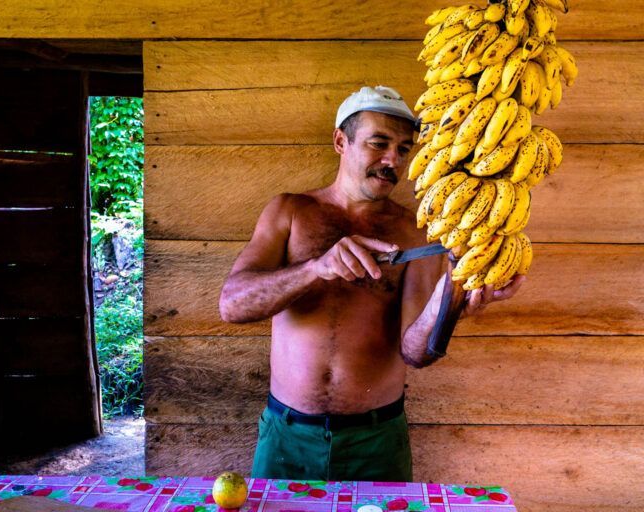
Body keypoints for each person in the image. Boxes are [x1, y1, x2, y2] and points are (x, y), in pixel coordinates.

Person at [218, 85, 524, 482]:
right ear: (340, 141)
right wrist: (315, 268)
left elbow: (417, 353)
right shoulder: (290, 211)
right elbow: (232, 306)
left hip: (377, 439)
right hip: (287, 435)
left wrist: (451, 304)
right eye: (378, 143)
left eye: (403, 149)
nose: (391, 160)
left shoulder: (414, 233)